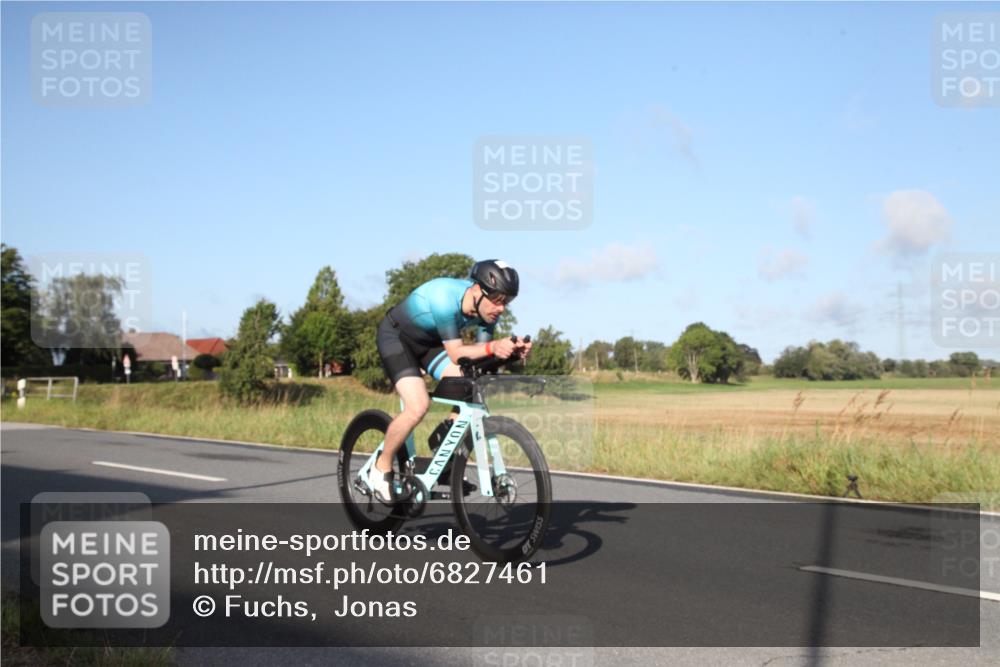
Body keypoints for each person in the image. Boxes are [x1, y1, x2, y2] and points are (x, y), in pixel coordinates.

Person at [370, 259, 531, 503]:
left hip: (430, 345)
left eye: (506, 302)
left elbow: (479, 355)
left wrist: (510, 352)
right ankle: (380, 468)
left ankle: (442, 455)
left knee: (470, 384)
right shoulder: (445, 296)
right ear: (477, 289)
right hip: (397, 338)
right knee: (418, 405)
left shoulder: (488, 313)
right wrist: (494, 346)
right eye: (498, 300)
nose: (501, 308)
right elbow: (458, 354)